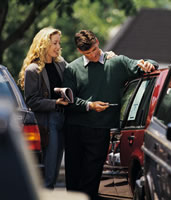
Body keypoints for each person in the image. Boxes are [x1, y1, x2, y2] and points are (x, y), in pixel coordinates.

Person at [62, 29, 158, 200]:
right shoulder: (72, 69)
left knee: (91, 177)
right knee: (73, 175)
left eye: (93, 50)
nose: (92, 55)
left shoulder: (117, 62)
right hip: (74, 128)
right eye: (87, 53)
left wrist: (150, 64)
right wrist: (89, 105)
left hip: (100, 129)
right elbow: (67, 101)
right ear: (79, 51)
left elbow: (147, 64)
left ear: (97, 42)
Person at [18, 27, 68, 189]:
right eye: (54, 43)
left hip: (63, 119)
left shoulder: (61, 64)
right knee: (49, 171)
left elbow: (78, 71)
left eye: (59, 43)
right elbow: (32, 101)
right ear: (44, 43)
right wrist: (55, 103)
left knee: (54, 171)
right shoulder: (33, 70)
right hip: (48, 123)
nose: (58, 46)